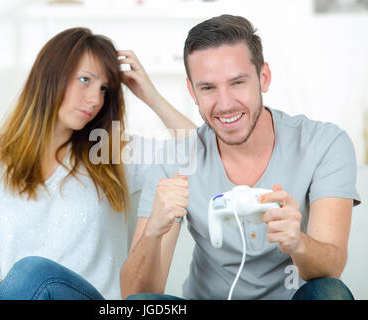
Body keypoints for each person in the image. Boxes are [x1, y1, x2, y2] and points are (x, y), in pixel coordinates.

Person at [120, 14, 361, 300]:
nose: (224, 104)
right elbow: (135, 295)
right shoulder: (174, 160)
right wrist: (152, 234)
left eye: (237, 83)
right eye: (208, 88)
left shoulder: (324, 144)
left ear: (264, 77)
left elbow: (331, 268)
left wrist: (298, 242)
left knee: (329, 292)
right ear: (192, 91)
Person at [0, 27, 196, 300]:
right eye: (84, 80)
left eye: (104, 88)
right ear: (48, 77)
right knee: (31, 273)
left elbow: (196, 151)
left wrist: (151, 96)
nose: (95, 99)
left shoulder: (111, 153)